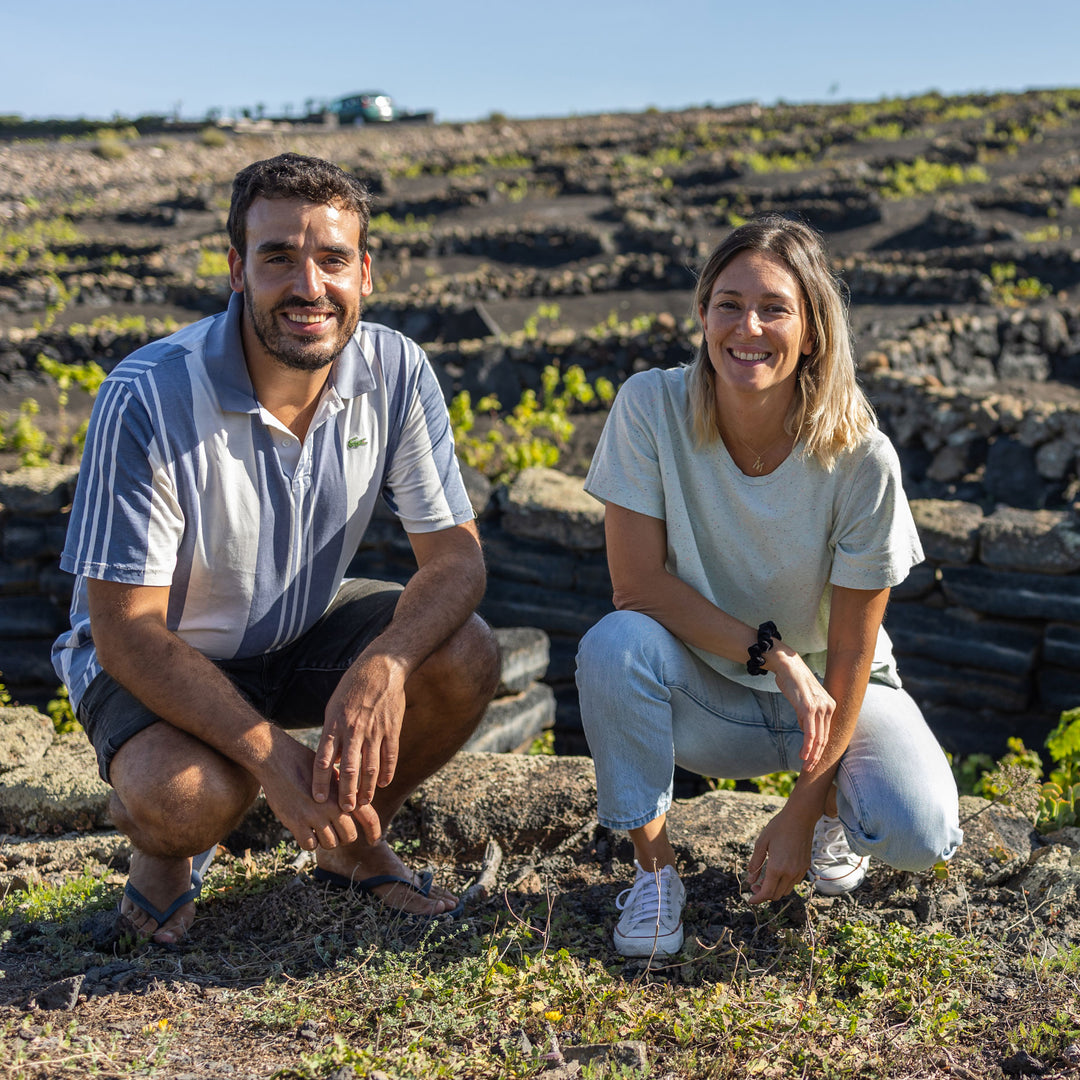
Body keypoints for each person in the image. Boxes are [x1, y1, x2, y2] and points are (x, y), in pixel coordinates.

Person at [52, 153, 500, 944]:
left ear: (364, 272)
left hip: (298, 629)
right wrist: (270, 758)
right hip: (162, 651)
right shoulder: (148, 394)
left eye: (331, 259)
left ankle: (356, 846)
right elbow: (125, 631)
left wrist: (384, 665)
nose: (308, 286)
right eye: (278, 258)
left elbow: (457, 560)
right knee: (185, 798)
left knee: (463, 653)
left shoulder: (395, 370)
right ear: (236, 269)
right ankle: (161, 853)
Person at [575, 214, 962, 958]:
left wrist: (801, 808)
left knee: (921, 830)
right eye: (728, 303)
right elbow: (637, 585)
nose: (747, 326)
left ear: (812, 330)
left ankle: (830, 821)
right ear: (702, 315)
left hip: (839, 699)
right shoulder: (650, 409)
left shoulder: (861, 458)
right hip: (711, 697)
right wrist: (775, 658)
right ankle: (656, 875)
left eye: (774, 308)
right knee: (613, 644)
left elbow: (850, 653)